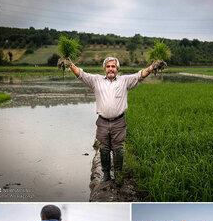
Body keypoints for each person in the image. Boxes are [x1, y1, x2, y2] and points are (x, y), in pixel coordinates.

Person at [61, 56, 166, 186]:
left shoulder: (125, 81)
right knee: (104, 149)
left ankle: (118, 174)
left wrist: (152, 67)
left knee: (119, 149)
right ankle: (106, 174)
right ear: (105, 68)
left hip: (119, 122)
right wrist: (70, 64)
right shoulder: (96, 80)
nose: (111, 69)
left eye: (113, 66)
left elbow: (140, 75)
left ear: (117, 68)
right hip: (103, 122)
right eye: (108, 66)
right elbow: (81, 74)